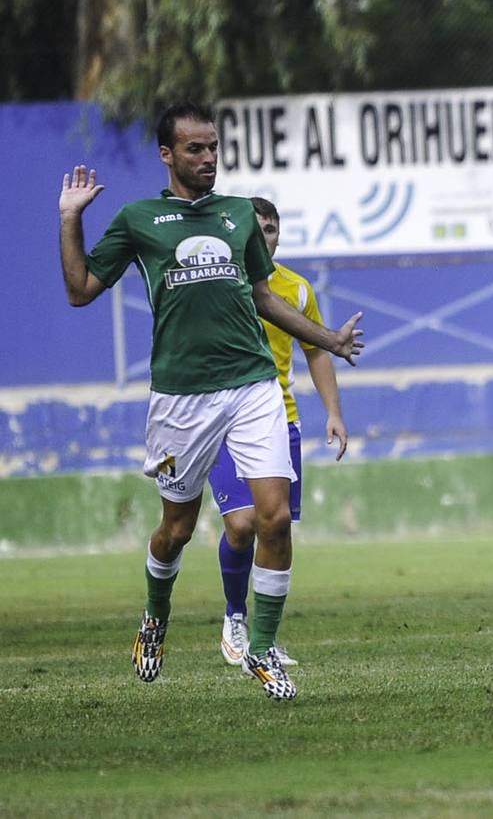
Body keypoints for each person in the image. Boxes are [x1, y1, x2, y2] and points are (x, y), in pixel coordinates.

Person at [58, 102, 364, 701]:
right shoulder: (140, 219)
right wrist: (71, 219)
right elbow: (79, 289)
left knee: (274, 518)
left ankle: (262, 648)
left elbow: (263, 297)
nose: (208, 159)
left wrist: (328, 339)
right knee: (176, 529)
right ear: (167, 155)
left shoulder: (237, 215)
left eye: (214, 148)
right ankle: (155, 615)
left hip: (252, 385)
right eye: (194, 149)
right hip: (181, 398)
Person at [211, 197, 348, 670]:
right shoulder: (219, 284)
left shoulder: (296, 289)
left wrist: (333, 412)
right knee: (242, 524)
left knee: (276, 527)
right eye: (256, 229)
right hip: (222, 420)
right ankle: (235, 614)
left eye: (270, 230)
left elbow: (316, 350)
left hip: (279, 419)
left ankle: (264, 641)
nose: (263, 237)